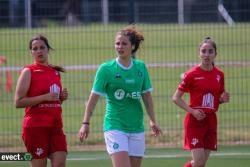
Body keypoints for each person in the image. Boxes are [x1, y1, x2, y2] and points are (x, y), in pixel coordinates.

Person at [78, 25, 162, 167]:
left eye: (124, 43)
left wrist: (153, 120)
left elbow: (146, 97)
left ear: (133, 46)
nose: (120, 46)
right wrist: (85, 123)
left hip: (136, 127)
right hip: (115, 126)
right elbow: (93, 99)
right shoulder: (106, 69)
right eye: (117, 43)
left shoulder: (140, 67)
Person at [172, 37, 230, 167]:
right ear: (199, 54)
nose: (207, 55)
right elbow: (176, 97)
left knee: (201, 163)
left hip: (211, 121)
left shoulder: (219, 75)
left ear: (215, 54)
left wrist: (221, 100)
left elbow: (214, 98)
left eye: (210, 51)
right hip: (195, 121)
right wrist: (192, 111)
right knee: (198, 162)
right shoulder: (192, 74)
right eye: (203, 51)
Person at [14, 34, 68, 167]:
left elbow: (53, 101)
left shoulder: (55, 72)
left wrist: (61, 98)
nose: (39, 51)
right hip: (36, 127)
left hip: (56, 126)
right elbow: (18, 102)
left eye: (42, 47)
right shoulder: (28, 71)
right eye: (35, 48)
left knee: (60, 163)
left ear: (48, 49)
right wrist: (44, 97)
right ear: (31, 52)